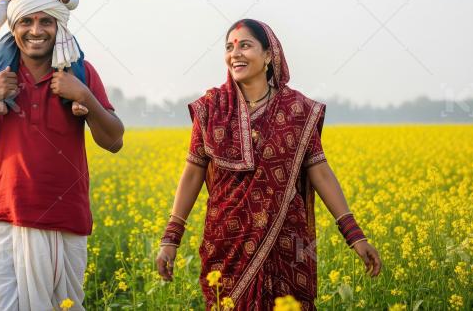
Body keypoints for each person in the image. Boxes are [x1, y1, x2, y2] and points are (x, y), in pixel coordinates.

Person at [155, 19, 382, 309]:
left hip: (287, 244)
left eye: (245, 45)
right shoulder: (211, 108)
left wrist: (355, 235)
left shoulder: (298, 110)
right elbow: (192, 173)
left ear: (268, 55)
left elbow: (321, 172)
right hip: (227, 242)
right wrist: (171, 238)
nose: (235, 53)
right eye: (229, 47)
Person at [0, 0, 124, 310]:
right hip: (5, 218)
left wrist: (83, 95)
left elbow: (114, 140)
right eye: (26, 22)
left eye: (46, 21)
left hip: (66, 221)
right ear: (13, 26)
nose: (36, 30)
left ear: (59, 26)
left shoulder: (81, 73)